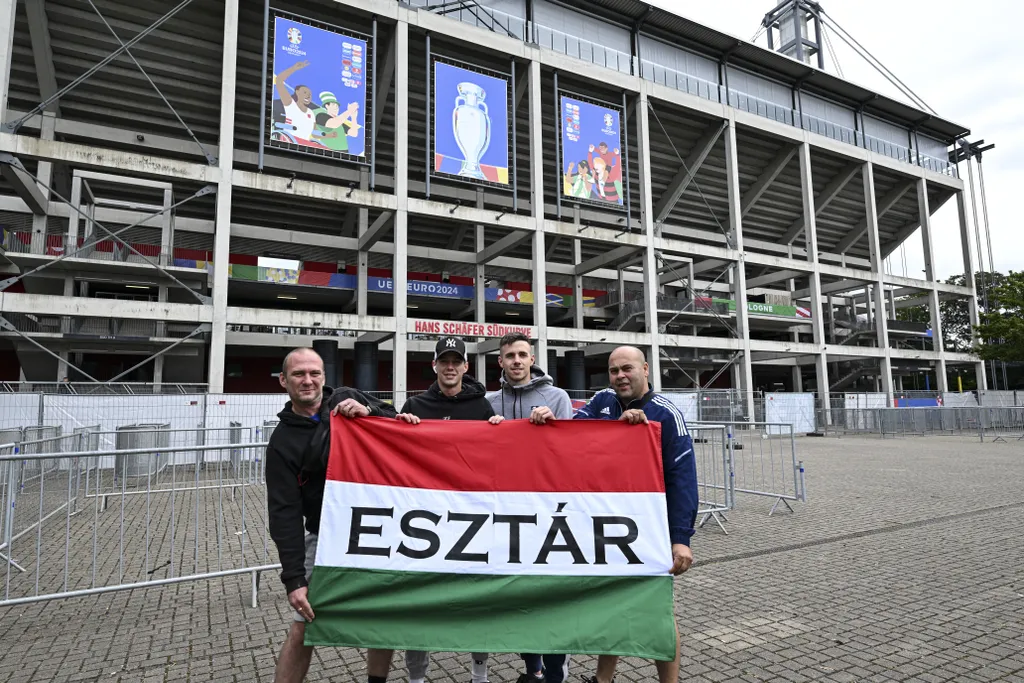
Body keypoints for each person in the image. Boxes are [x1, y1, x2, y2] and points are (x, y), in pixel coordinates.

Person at [529, 345, 698, 683]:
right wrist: (549, 423)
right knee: (613, 607)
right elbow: (573, 436)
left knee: (656, 613)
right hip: (608, 528)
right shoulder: (602, 402)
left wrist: (680, 540)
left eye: (627, 369)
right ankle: (602, 679)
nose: (620, 376)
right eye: (613, 370)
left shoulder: (665, 414)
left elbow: (683, 479)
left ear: (645, 369)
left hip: (651, 531)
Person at [370, 336, 503, 683]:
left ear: (465, 367)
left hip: (471, 517)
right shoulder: (416, 404)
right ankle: (416, 676)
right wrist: (402, 427)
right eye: (443, 361)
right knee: (420, 601)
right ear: (434, 366)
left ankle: (479, 670)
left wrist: (499, 433)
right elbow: (393, 450)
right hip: (424, 520)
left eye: (455, 361)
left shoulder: (482, 407)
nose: (449, 367)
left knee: (477, 598)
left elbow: (494, 458)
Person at [265, 347, 398, 683]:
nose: (307, 381)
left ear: (324, 377)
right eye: (298, 374)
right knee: (303, 626)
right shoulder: (282, 442)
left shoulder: (347, 398)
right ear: (284, 380)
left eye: (314, 373)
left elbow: (399, 423)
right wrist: (294, 580)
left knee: (382, 618)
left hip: (375, 528)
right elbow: (284, 515)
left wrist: (368, 410)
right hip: (323, 538)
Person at [485, 331, 573, 683]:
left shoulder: (557, 397)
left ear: (532, 359)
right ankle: (532, 670)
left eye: (523, 354)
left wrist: (551, 426)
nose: (517, 361)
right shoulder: (489, 402)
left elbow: (572, 449)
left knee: (548, 597)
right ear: (500, 361)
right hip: (506, 512)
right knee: (519, 597)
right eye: (510, 356)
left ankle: (556, 671)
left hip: (548, 511)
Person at [274, 60, 317, 143]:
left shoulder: (311, 113)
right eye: (305, 92)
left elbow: (315, 134)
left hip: (304, 145)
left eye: (310, 94)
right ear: (297, 92)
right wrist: (294, 68)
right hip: (289, 140)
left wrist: (330, 135)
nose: (308, 96)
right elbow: (279, 80)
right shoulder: (290, 104)